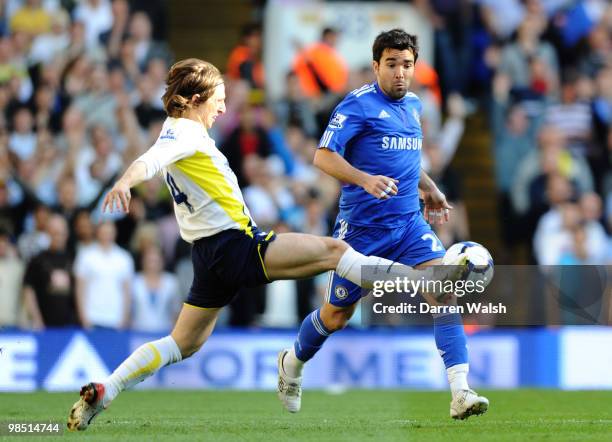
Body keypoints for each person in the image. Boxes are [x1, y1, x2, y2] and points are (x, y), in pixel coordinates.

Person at [66, 58, 467, 431]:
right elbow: (149, 161)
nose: (221, 110)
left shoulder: (176, 130)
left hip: (207, 257)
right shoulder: (186, 132)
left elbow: (156, 155)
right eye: (217, 101)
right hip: (236, 244)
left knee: (180, 344)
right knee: (334, 252)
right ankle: (421, 283)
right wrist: (124, 181)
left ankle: (108, 389)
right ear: (193, 100)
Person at [276, 29, 489, 420]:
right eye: (391, 64)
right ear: (376, 66)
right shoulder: (355, 106)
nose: (400, 73)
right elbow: (323, 157)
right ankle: (292, 361)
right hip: (361, 234)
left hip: (409, 226)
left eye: (406, 64)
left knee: (443, 292)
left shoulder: (413, 106)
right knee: (335, 316)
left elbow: (406, 160)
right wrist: (363, 179)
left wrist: (430, 188)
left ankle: (460, 391)